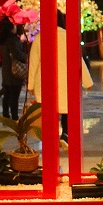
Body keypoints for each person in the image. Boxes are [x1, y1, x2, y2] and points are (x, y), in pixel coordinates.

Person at [27, 12, 92, 146]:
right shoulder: (68, 37)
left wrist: (31, 85)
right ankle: (66, 135)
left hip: (44, 82)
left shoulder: (40, 38)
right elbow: (78, 60)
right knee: (66, 107)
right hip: (66, 80)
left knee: (49, 110)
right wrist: (87, 82)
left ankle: (50, 137)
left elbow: (33, 63)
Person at [0, 16, 29, 121]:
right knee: (14, 95)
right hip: (15, 71)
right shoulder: (13, 40)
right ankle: (14, 116)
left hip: (6, 70)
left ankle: (5, 115)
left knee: (7, 94)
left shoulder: (2, 40)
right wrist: (27, 57)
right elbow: (17, 54)